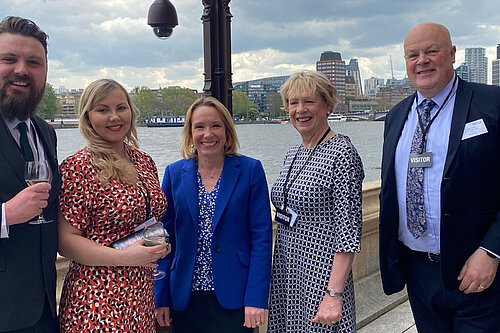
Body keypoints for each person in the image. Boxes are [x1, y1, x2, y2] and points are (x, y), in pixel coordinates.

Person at [379, 22, 500, 332]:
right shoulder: (396, 116)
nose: (423, 61)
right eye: (413, 55)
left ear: (452, 54)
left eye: (432, 51)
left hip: (477, 267)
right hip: (418, 270)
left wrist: (491, 251)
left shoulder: (492, 104)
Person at [57, 79, 169, 332]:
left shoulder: (144, 161)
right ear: (87, 117)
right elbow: (66, 242)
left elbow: (147, 219)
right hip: (97, 297)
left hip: (140, 293)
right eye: (103, 109)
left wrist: (156, 243)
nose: (114, 117)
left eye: (121, 107)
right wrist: (125, 257)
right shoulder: (78, 167)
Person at [154, 97, 272, 332]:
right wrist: (161, 297)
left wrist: (256, 299)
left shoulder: (250, 170)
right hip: (185, 297)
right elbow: (164, 240)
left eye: (216, 126)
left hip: (235, 297)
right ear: (190, 132)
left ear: (227, 131)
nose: (208, 134)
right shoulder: (174, 173)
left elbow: (261, 239)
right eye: (199, 127)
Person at [268, 71, 364, 332]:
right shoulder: (293, 154)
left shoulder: (342, 153)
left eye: (309, 102)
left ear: (327, 105)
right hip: (288, 272)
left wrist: (333, 295)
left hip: (321, 275)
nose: (300, 110)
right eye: (293, 102)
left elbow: (349, 231)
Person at [0, 16, 60, 332]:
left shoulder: (45, 132)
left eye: (34, 62)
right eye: (9, 59)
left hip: (45, 308)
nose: (22, 70)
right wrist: (6, 215)